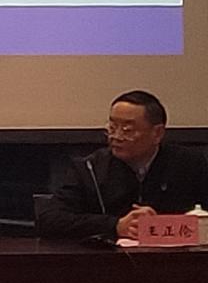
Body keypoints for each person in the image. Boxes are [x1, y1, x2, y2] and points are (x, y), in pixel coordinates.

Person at [36, 90, 208, 240]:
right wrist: (115, 225)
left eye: (127, 130)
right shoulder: (90, 168)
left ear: (157, 133)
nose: (116, 136)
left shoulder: (190, 164)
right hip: (109, 262)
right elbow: (49, 220)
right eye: (112, 127)